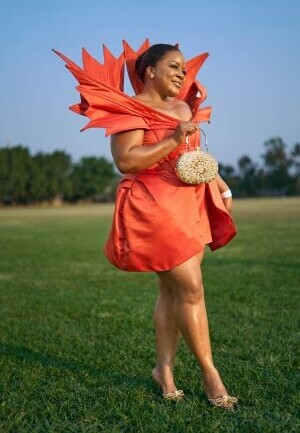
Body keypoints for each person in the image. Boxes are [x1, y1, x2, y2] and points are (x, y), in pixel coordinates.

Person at [54, 41, 238, 409]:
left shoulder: (183, 106)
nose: (182, 74)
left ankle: (164, 370)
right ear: (149, 71)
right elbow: (127, 160)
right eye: (174, 66)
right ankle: (209, 373)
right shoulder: (129, 108)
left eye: (184, 69)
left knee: (171, 291)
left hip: (190, 202)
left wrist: (219, 184)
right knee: (191, 289)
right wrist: (173, 138)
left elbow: (193, 153)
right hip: (155, 206)